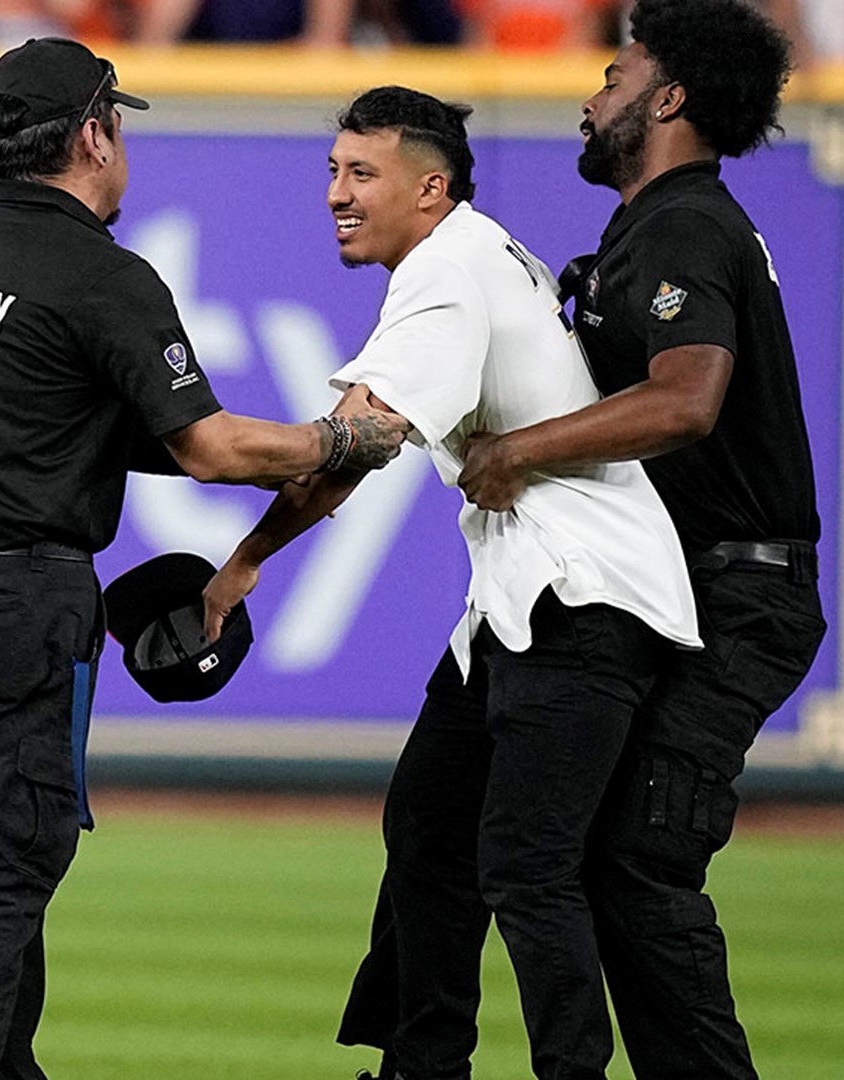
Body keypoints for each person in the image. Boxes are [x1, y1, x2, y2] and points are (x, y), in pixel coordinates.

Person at [0, 37, 406, 1080]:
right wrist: (337, 443)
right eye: (117, 124)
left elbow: (67, 430)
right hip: (23, 593)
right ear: (90, 135)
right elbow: (206, 447)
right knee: (7, 863)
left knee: (6, 853)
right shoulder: (101, 274)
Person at [200, 86, 702, 1080]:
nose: (338, 194)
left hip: (583, 597)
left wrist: (244, 556)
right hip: (527, 603)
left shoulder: (444, 272)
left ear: (429, 188)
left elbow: (356, 439)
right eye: (334, 172)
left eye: (363, 174)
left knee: (528, 865)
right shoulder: (466, 250)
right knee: (430, 821)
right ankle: (422, 1065)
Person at [457, 1, 827, 1076]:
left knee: (641, 860)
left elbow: (686, 400)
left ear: (667, 100)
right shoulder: (651, 227)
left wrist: (522, 450)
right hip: (694, 587)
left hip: (739, 596)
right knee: (599, 859)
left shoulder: (684, 225)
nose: (591, 96)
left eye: (614, 77)